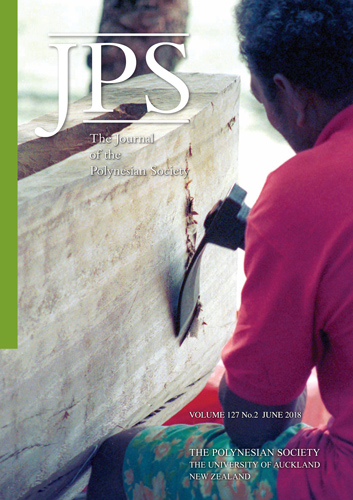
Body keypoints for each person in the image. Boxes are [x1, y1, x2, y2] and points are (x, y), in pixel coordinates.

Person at [87, 1, 353, 498]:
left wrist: (284, 289)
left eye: (262, 101)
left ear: (285, 93)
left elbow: (257, 427)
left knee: (118, 461)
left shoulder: (303, 191)